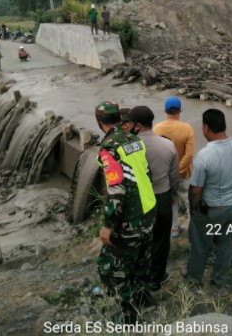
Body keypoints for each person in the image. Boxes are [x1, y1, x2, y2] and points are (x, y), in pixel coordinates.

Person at [95, 101, 156, 322]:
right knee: (141, 260)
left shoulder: (109, 148)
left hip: (129, 218)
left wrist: (108, 225)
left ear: (99, 122)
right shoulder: (134, 139)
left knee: (110, 268)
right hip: (148, 210)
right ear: (120, 120)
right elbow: (143, 173)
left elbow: (117, 191)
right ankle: (144, 298)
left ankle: (131, 315)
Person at [184, 109, 232, 290]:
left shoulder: (204, 155)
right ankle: (219, 281)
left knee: (200, 247)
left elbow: (196, 190)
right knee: (224, 246)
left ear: (205, 127)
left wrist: (193, 210)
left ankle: (194, 279)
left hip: (212, 210)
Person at [126, 106, 180, 291]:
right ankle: (156, 278)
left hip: (138, 200)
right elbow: (174, 177)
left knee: (139, 239)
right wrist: (172, 194)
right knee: (161, 239)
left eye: (130, 123)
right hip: (162, 197)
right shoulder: (168, 145)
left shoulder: (128, 148)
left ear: (138, 126)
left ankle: (136, 277)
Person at [153, 97, 194, 238]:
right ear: (180, 110)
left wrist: (169, 172)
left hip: (164, 175)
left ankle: (174, 229)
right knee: (189, 201)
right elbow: (189, 155)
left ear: (165, 110)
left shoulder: (157, 128)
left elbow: (156, 153)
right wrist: (178, 171)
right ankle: (193, 230)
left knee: (172, 201)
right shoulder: (187, 128)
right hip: (184, 174)